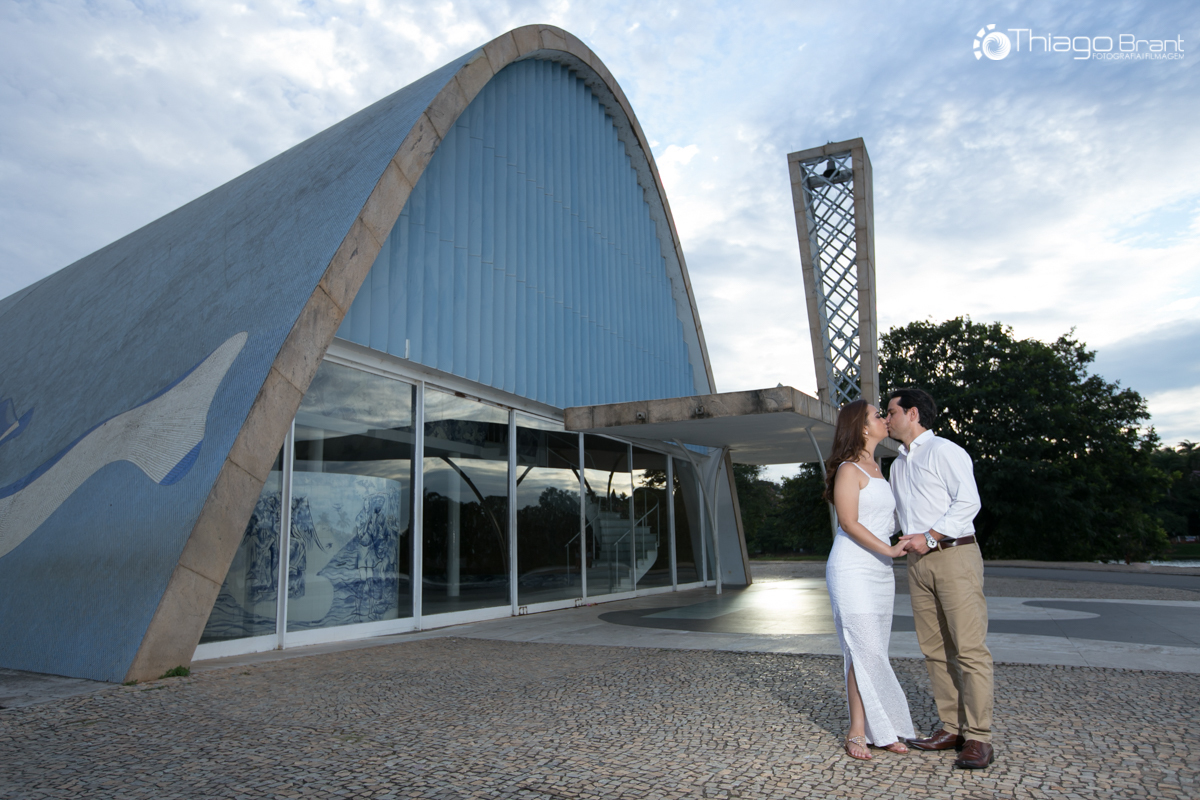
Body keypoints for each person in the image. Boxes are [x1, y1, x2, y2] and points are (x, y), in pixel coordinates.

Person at [885, 387, 994, 770]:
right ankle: (951, 727)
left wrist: (931, 537)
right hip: (918, 564)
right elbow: (897, 519)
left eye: (891, 412)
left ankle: (979, 737)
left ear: (912, 414)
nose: (886, 419)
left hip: (954, 556)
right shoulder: (897, 464)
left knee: (969, 649)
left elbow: (969, 502)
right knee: (934, 650)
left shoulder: (944, 451)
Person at [823, 399, 915, 760]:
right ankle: (857, 732)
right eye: (878, 415)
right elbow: (849, 522)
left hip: (879, 572)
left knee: (873, 652)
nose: (884, 419)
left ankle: (883, 728)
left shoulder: (879, 467)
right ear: (862, 427)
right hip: (852, 570)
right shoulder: (849, 469)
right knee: (864, 650)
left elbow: (886, 519)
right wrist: (890, 550)